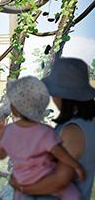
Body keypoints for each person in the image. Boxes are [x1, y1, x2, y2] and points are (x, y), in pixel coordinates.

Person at [10, 58, 95, 200]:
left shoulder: (72, 131)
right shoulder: (88, 122)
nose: (53, 98)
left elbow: (58, 182)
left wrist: (20, 186)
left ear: (63, 96)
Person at [0, 76, 85, 200]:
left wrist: (1, 134)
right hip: (43, 177)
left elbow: (0, 155)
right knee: (72, 193)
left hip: (22, 179)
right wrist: (76, 165)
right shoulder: (45, 131)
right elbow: (60, 154)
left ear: (14, 110)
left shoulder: (8, 131)